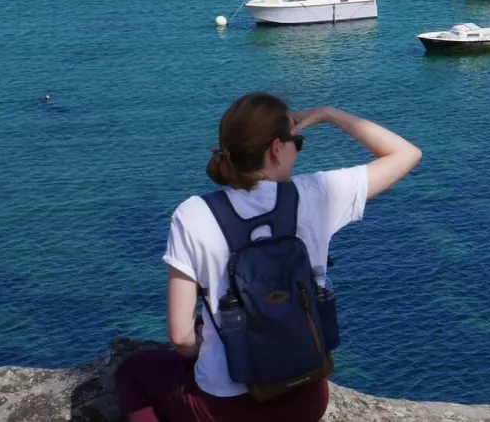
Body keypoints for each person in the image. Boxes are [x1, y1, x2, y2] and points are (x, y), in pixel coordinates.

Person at [116, 94, 421, 422]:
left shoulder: (192, 214)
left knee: (132, 372)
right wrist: (327, 114)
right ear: (277, 148)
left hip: (226, 408)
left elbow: (180, 338)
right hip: (305, 398)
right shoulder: (317, 195)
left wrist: (205, 344)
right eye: (298, 143)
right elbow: (407, 154)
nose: (298, 151)